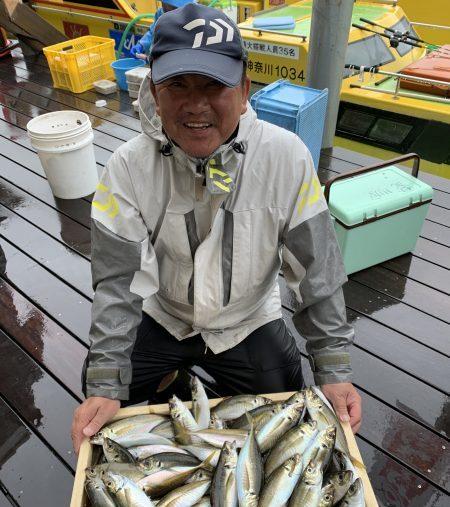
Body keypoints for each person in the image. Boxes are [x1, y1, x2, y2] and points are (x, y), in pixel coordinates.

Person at [71, 3, 362, 453]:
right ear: (153, 90)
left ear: (244, 89)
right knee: (102, 385)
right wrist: (105, 381)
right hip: (162, 314)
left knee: (285, 399)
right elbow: (117, 283)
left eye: (214, 85)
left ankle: (180, 380)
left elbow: (315, 269)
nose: (195, 104)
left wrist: (335, 370)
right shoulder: (127, 167)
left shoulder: (287, 158)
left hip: (245, 320)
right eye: (177, 85)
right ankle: (170, 375)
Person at [130, 0, 196, 60]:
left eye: (171, 7)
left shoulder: (193, 19)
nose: (165, 8)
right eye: (164, 4)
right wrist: (142, 45)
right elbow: (153, 32)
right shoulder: (160, 14)